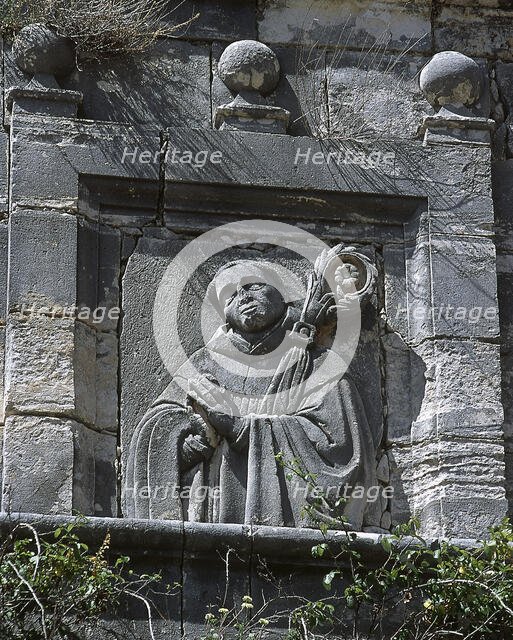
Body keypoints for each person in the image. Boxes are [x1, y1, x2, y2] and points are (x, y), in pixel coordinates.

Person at [126, 259, 378, 529]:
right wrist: (189, 446)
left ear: (281, 293)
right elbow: (156, 431)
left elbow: (344, 455)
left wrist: (240, 426)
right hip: (211, 518)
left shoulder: (319, 365)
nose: (243, 296)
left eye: (253, 285)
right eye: (230, 296)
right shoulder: (204, 363)